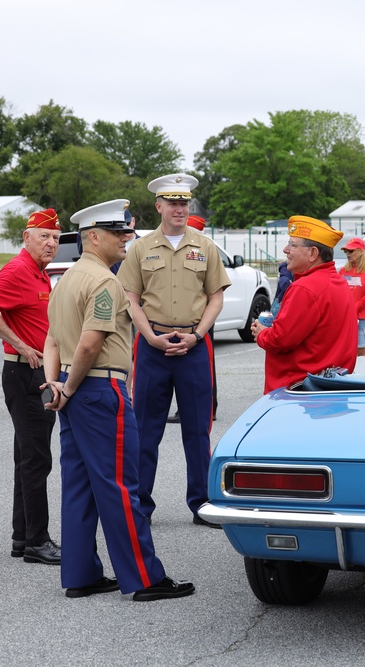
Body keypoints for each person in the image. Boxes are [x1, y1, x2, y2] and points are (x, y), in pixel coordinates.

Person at [43, 198, 194, 602]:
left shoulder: (66, 280)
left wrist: (55, 385)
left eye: (126, 232)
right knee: (120, 487)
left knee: (79, 485)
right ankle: (144, 578)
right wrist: (71, 386)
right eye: (117, 233)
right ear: (94, 237)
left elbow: (53, 340)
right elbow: (91, 344)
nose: (126, 239)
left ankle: (80, 574)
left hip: (71, 389)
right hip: (96, 389)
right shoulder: (104, 281)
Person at [117, 175, 230, 528]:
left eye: (184, 203)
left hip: (194, 347)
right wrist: (149, 336)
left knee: (197, 431)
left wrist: (198, 335)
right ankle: (140, 504)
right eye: (173, 203)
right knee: (146, 430)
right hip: (153, 348)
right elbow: (130, 298)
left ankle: (202, 503)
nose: (180, 209)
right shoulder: (140, 247)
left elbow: (216, 296)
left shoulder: (205, 246)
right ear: (159, 207)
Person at [0, 208, 62, 565]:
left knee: (27, 458)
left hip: (35, 374)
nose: (51, 243)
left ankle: (22, 538)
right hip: (25, 373)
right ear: (27, 238)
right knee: (37, 458)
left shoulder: (39, 274)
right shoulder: (18, 269)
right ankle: (38, 541)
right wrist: (20, 343)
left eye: (55, 238)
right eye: (44, 236)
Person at [250, 215, 356, 393]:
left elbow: (281, 340)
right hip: (331, 385)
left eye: (292, 244)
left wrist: (262, 333)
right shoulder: (337, 281)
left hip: (299, 392)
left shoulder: (305, 288)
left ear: (313, 253)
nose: (286, 249)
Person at [167, 214, 217, 425]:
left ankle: (209, 405)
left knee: (206, 368)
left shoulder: (204, 249)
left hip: (200, 321)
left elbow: (213, 292)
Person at [338, 237, 365, 358]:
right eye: (346, 251)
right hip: (345, 317)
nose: (347, 254)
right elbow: (339, 294)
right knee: (344, 350)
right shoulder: (342, 271)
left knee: (361, 351)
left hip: (361, 318)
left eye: (351, 251)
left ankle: (361, 373)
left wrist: (353, 310)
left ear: (361, 251)